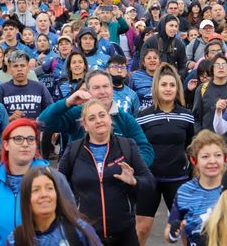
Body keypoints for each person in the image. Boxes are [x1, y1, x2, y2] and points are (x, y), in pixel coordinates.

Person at [58, 99, 155, 245]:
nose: (98, 121)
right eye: (92, 118)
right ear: (84, 125)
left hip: (124, 235)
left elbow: (150, 184)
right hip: (86, 236)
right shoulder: (74, 149)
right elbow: (58, 186)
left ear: (109, 118)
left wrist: (134, 181)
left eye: (102, 115)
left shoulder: (127, 146)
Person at [37, 70, 154, 166]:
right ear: (88, 91)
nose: (102, 92)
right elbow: (43, 122)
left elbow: (145, 149)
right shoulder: (77, 114)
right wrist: (68, 102)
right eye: (96, 88)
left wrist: (129, 167)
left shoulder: (125, 119)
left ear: (112, 88)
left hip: (117, 185)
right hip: (82, 185)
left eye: (106, 86)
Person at [135, 63, 194, 245]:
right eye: (164, 85)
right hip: (149, 179)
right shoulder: (142, 116)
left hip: (178, 179)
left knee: (185, 228)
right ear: (156, 88)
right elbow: (138, 148)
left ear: (177, 88)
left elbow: (189, 145)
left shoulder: (186, 116)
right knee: (142, 228)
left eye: (172, 85)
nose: (168, 89)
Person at [6, 166, 102, 245]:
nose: (44, 194)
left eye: (49, 188)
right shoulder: (16, 240)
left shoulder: (79, 230)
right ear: (26, 199)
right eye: (36, 190)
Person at [165, 130, 227, 246]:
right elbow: (169, 233)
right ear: (194, 160)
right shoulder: (185, 191)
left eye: (218, 155)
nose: (212, 161)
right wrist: (173, 234)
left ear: (225, 158)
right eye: (205, 156)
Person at [0, 50, 53, 120]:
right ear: (10, 69)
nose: (19, 69)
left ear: (28, 68)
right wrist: (10, 118)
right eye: (15, 66)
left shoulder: (40, 88)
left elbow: (51, 112)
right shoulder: (0, 90)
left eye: (22, 66)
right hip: (11, 130)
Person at [192, 53, 227, 136]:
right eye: (217, 65)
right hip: (209, 142)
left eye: (224, 65)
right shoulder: (202, 89)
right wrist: (201, 136)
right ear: (212, 69)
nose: (221, 67)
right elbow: (196, 118)